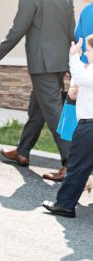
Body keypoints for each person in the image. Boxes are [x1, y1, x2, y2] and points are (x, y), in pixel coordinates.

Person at [0, 0, 74, 181]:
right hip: (57, 64)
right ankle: (23, 152)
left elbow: (19, 28)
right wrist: (71, 62)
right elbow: (71, 33)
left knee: (55, 113)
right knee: (37, 110)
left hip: (43, 64)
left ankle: (71, 163)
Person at [44, 36, 93, 218]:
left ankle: (64, 205)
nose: (86, 54)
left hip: (89, 127)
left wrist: (74, 56)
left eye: (88, 50)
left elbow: (81, 78)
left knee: (77, 167)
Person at [57, 0, 93, 144]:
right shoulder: (86, 12)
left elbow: (84, 51)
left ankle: (71, 170)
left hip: (86, 83)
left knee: (78, 134)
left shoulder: (89, 13)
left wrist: (76, 82)